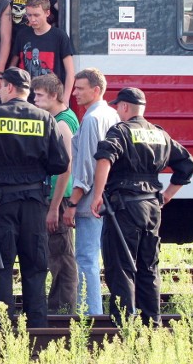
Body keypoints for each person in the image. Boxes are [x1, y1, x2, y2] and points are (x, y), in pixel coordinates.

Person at [0, 67, 69, 328]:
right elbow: (60, 163)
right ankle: (37, 326)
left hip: (0, 199)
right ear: (27, 92)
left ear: (8, 87)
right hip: (33, 200)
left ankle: (2, 326)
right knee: (35, 265)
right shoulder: (45, 118)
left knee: (2, 265)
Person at [90, 88, 193, 326]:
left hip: (124, 208)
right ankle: (152, 323)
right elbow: (187, 165)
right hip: (151, 206)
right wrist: (167, 195)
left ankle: (124, 325)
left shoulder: (121, 131)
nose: (117, 111)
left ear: (125, 107)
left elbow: (105, 157)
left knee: (121, 266)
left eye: (118, 107)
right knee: (149, 266)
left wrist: (97, 195)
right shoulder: (159, 134)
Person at [64, 68, 119, 315]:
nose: (74, 93)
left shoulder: (91, 120)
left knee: (86, 258)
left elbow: (86, 165)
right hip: (111, 197)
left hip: (91, 201)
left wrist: (73, 201)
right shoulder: (113, 115)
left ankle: (90, 314)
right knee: (107, 257)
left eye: (80, 88)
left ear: (96, 90)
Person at [31, 74, 79, 314]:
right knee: (58, 252)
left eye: (39, 95)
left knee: (61, 255)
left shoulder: (61, 123)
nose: (35, 99)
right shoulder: (61, 119)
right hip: (57, 197)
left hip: (59, 197)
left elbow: (66, 166)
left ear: (53, 95)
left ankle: (63, 307)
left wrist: (54, 206)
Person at [9, 0, 74, 105]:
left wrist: (66, 98)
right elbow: (12, 67)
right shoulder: (22, 35)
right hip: (26, 98)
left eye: (36, 15)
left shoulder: (59, 36)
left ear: (47, 13)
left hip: (51, 98)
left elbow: (70, 71)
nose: (32, 19)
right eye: (29, 15)